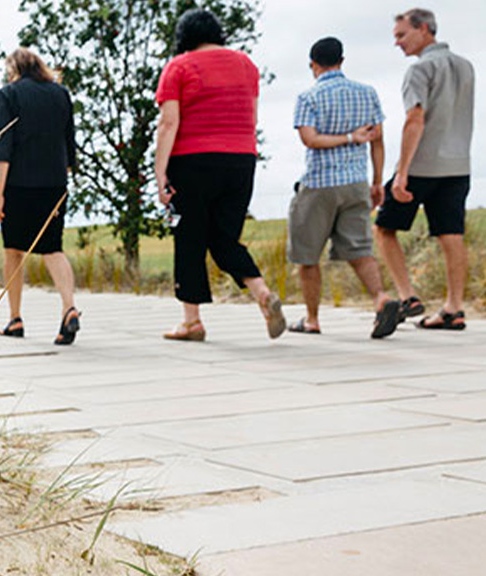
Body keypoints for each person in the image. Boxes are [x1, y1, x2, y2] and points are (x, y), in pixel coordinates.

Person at [153, 8, 286, 342]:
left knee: (190, 239)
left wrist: (160, 173)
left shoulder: (179, 66)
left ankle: (192, 322)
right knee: (224, 239)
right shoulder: (246, 65)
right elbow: (252, 116)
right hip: (241, 160)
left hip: (192, 162)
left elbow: (168, 123)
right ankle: (262, 293)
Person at [288, 36, 401, 339]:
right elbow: (378, 140)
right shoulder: (367, 93)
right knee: (360, 250)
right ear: (342, 61)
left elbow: (310, 139)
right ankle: (381, 299)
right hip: (356, 183)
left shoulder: (308, 97)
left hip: (319, 184)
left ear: (313, 64)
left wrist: (348, 137)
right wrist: (377, 182)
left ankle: (312, 319)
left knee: (307, 255)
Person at [375, 8, 475, 331]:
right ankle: (454, 309)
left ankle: (408, 297)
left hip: (422, 165)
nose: (397, 43)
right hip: (458, 165)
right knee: (451, 235)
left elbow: (415, 119)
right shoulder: (466, 66)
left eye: (401, 35)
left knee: (384, 228)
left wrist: (402, 172)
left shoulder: (419, 70)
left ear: (424, 30)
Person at [0, 47, 80, 346]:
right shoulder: (61, 94)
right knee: (53, 248)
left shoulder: (8, 95)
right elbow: (69, 144)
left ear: (13, 69)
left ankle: (15, 319)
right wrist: (63, 178)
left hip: (19, 185)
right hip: (54, 183)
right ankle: (69, 308)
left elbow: (2, 146)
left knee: (13, 250)